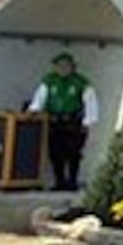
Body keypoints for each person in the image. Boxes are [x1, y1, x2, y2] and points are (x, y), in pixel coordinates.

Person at [28, 53, 98, 191]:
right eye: (59, 66)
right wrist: (33, 110)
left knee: (73, 152)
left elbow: (90, 102)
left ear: (72, 67)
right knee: (55, 153)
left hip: (73, 122)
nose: (62, 69)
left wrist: (88, 122)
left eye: (66, 66)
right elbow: (40, 98)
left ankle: (72, 181)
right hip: (54, 121)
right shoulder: (49, 81)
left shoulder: (80, 82)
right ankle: (59, 182)